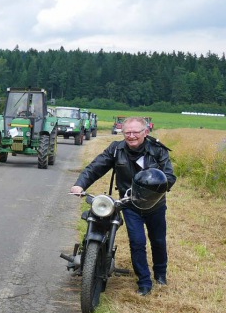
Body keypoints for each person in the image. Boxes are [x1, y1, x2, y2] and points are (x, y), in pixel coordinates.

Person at [70, 116, 177, 296]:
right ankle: (144, 282)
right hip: (130, 204)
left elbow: (170, 176)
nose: (131, 136)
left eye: (136, 132)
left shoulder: (158, 150)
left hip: (155, 204)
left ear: (146, 132)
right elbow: (96, 167)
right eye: (127, 132)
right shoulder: (116, 149)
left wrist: (156, 187)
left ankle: (160, 274)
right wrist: (80, 184)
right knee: (137, 242)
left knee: (158, 241)